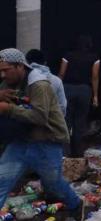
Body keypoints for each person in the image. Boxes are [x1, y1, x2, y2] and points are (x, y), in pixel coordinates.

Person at [0, 48, 81, 211]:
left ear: (20, 66)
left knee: (54, 184)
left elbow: (39, 117)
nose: (2, 75)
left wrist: (8, 109)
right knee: (2, 179)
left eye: (6, 70)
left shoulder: (39, 85)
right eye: (0, 71)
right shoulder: (8, 83)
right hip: (21, 140)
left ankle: (77, 206)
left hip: (46, 141)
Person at [59, 35, 100, 156]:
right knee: (80, 123)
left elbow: (61, 73)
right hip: (84, 90)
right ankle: (78, 153)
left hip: (67, 89)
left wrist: (57, 90)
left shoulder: (68, 55)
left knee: (66, 122)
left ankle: (65, 153)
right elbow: (95, 76)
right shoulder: (94, 57)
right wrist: (95, 95)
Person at [25, 49, 67, 116]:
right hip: (52, 122)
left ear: (26, 62)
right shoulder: (56, 80)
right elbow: (62, 106)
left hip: (28, 120)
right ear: (45, 63)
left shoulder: (23, 78)